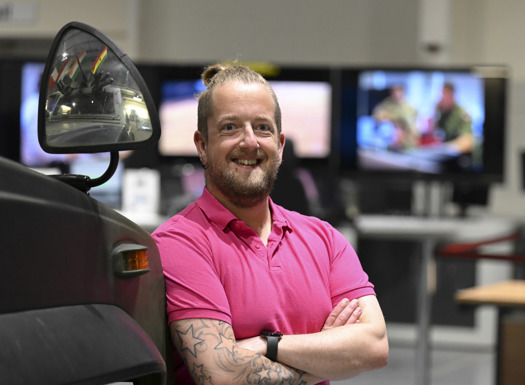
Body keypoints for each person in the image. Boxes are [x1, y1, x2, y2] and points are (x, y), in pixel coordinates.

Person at [152, 63, 388, 385]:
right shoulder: (178, 242)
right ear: (202, 145)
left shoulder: (324, 239)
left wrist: (267, 345)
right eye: (230, 127)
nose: (249, 142)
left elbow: (374, 347)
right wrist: (327, 355)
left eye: (262, 128)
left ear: (280, 145)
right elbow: (221, 375)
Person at [372, 84, 419, 150]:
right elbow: (377, 115)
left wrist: (401, 130)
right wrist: (392, 122)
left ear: (403, 92)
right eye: (394, 92)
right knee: (385, 127)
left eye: (398, 91)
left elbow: (411, 127)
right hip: (390, 132)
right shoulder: (387, 103)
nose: (396, 94)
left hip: (404, 134)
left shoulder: (409, 108)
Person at [433, 82, 474, 155]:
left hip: (459, 154)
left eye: (445, 94)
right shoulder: (443, 112)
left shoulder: (462, 113)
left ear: (452, 95)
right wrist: (435, 111)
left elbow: (467, 140)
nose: (443, 97)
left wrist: (445, 147)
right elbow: (433, 131)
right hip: (445, 152)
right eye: (442, 94)